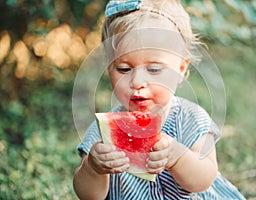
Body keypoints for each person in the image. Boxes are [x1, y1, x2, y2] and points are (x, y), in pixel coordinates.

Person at [73, 0, 246, 199]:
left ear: (181, 69)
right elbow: (88, 196)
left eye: (154, 69)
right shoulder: (102, 131)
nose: (137, 81)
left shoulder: (191, 119)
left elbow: (204, 179)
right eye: (123, 69)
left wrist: (177, 158)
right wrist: (93, 169)